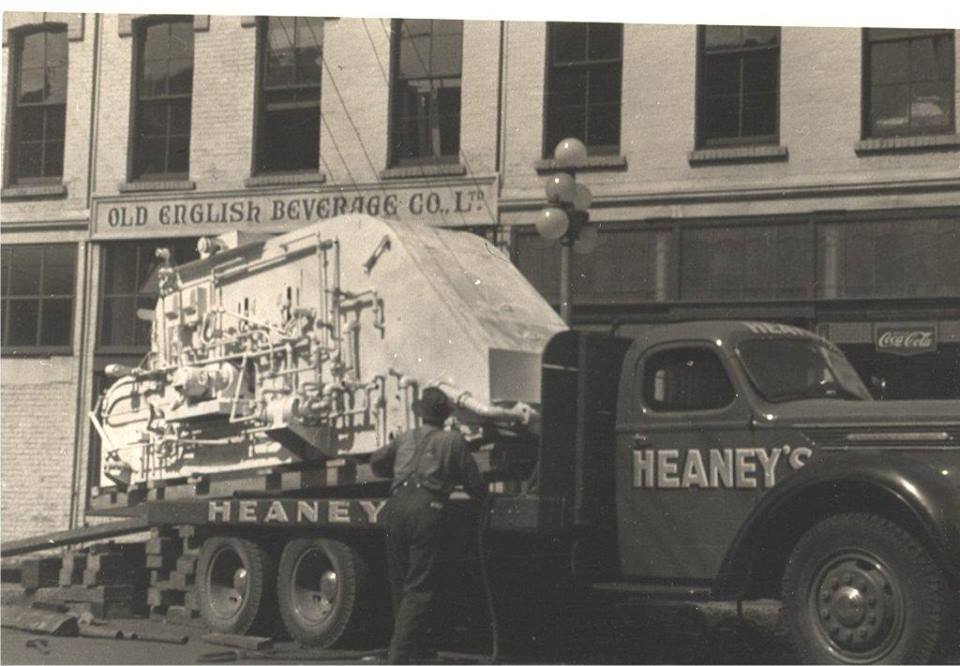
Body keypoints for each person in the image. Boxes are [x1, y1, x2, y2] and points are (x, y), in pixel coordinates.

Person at [370, 386, 487, 664]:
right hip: (427, 510)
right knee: (420, 587)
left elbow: (376, 463)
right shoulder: (453, 441)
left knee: (401, 582)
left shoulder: (404, 438)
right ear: (446, 415)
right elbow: (475, 485)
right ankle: (398, 656)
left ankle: (416, 651)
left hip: (396, 507)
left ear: (421, 412)